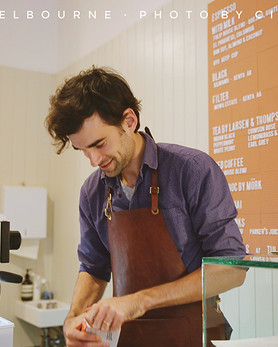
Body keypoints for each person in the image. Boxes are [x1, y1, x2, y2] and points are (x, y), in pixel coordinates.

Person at [45, 66, 247, 347]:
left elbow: (232, 268)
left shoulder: (192, 170)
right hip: (129, 339)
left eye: (99, 144)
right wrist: (73, 319)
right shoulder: (92, 192)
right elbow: (93, 267)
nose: (94, 160)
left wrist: (139, 301)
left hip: (195, 336)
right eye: (83, 151)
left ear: (129, 120)